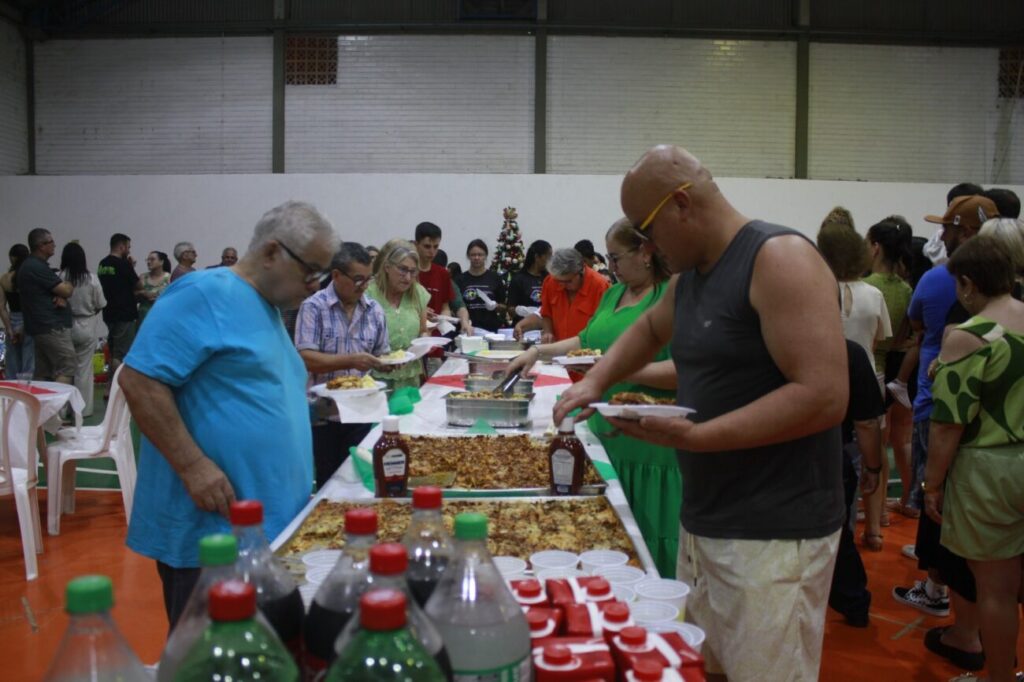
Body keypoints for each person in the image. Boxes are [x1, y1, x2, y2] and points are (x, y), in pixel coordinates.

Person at [554, 145, 847, 681]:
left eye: (647, 230)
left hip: (774, 529)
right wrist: (596, 378)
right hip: (710, 514)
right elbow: (648, 330)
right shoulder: (692, 278)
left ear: (682, 204)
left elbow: (823, 396)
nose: (649, 248)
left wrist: (697, 437)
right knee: (709, 667)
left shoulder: (778, 258)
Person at [118, 200, 338, 631]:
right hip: (211, 537)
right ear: (273, 252)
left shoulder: (268, 309)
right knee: (212, 659)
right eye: (311, 271)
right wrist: (193, 465)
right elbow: (140, 381)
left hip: (263, 530)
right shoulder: (205, 293)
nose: (315, 285)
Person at [508, 219, 679, 576]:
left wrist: (613, 371)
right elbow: (585, 341)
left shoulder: (670, 296)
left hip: (651, 445)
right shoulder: (614, 294)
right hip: (605, 433)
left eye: (615, 258)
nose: (609, 267)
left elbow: (685, 372)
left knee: (649, 542)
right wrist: (539, 354)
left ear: (646, 254)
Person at [893, 194, 999, 673]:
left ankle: (966, 635)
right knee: (1003, 574)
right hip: (1008, 453)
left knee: (968, 559)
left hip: (974, 455)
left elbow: (950, 418)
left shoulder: (963, 324)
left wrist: (930, 482)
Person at [923, 236, 1024, 682]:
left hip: (991, 471)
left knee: (997, 590)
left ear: (966, 284)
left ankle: (998, 676)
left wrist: (933, 483)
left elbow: (948, 424)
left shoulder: (968, 337)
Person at [295, 242, 389, 489]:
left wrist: (388, 365)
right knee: (329, 482)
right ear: (336, 275)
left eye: (369, 279)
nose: (364, 286)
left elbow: (382, 355)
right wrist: (351, 360)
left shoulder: (374, 310)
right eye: (358, 279)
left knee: (360, 480)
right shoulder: (313, 307)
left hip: (362, 411)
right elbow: (306, 357)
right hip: (324, 414)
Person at [863, 218, 917, 529]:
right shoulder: (906, 289)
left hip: (871, 367)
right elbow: (901, 338)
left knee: (865, 448)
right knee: (882, 447)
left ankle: (869, 513)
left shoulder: (867, 288)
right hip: (891, 370)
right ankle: (880, 511)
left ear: (876, 247)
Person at [828, 340, 885, 628]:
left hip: (771, 460)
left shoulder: (763, 344)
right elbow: (867, 422)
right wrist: (872, 467)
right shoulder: (848, 351)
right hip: (829, 457)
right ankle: (853, 601)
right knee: (836, 535)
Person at [366, 239, 429, 390]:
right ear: (387, 267)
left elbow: (423, 330)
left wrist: (425, 342)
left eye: (412, 272)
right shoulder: (368, 294)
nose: (408, 277)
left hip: (410, 378)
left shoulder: (418, 293)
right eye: (402, 269)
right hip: (376, 379)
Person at [514, 248, 610, 343]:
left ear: (581, 272)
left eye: (568, 281)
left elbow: (605, 326)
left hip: (588, 350)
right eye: (558, 281)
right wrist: (548, 332)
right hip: (558, 350)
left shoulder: (600, 287)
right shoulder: (550, 282)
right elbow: (546, 313)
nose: (562, 285)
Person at [18, 228, 75, 383]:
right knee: (67, 366)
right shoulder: (36, 267)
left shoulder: (31, 266)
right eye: (51, 242)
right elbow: (66, 290)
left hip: (40, 327)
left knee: (44, 372)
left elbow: (51, 291)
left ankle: (41, 406)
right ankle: (57, 407)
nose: (54, 245)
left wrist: (59, 294)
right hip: (51, 327)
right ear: (41, 245)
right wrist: (68, 285)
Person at [59, 242, 106, 417]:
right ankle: (83, 410)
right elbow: (100, 304)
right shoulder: (92, 278)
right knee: (84, 370)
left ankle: (62, 411)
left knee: (64, 369)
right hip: (87, 323)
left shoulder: (59, 276)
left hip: (65, 325)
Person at [413, 222, 472, 336]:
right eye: (427, 246)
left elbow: (445, 307)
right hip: (413, 336)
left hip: (436, 337)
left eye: (436, 247)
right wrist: (421, 313)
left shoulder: (442, 273)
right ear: (416, 244)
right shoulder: (409, 273)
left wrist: (444, 319)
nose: (432, 252)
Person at [98, 233, 141, 375]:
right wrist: (131, 266)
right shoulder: (123, 264)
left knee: (113, 350)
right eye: (128, 247)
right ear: (122, 247)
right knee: (121, 354)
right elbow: (138, 285)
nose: (129, 250)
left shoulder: (102, 264)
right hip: (124, 313)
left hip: (108, 313)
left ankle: (110, 387)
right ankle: (119, 388)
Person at [455, 239, 507, 333]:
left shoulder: (494, 278)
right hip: (467, 329)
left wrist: (496, 305)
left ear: (485, 256)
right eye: (473, 255)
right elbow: (455, 306)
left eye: (480, 254)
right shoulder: (460, 279)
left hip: (490, 329)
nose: (476, 258)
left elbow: (504, 307)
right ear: (468, 256)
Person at [1, 244, 33, 377]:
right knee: (29, 362)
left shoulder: (4, 278)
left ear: (12, 258)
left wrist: (9, 328)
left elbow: (1, 306)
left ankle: (11, 394)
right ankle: (29, 393)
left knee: (12, 364)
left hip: (12, 319)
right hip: (29, 320)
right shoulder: (30, 276)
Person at [507, 239, 550, 326]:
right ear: (537, 257)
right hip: (524, 326)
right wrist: (522, 311)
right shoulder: (519, 279)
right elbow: (510, 308)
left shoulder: (549, 278)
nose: (550, 260)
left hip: (545, 327)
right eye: (548, 256)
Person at [138, 251, 172, 325]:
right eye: (147, 260)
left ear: (161, 262)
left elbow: (173, 297)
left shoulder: (169, 278)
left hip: (161, 315)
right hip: (144, 314)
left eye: (152, 259)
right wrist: (143, 293)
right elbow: (134, 294)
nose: (149, 262)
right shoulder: (142, 277)